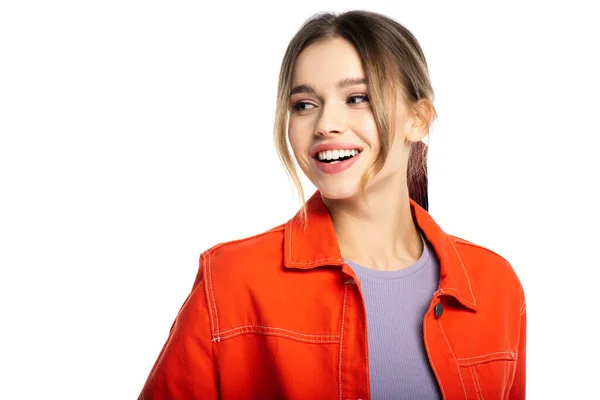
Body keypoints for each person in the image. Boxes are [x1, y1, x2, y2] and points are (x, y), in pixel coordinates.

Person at [138, 9, 526, 400]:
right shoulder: (232, 281)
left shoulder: (495, 286)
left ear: (418, 119)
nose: (325, 124)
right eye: (304, 104)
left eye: (357, 98)